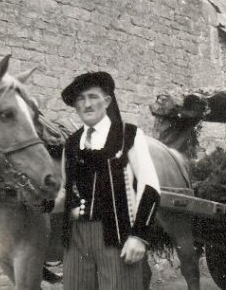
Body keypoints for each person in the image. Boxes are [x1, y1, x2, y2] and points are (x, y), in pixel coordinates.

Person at [60, 71, 161, 290]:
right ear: (75, 107)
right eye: (80, 99)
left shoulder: (128, 135)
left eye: (93, 97)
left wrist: (139, 236)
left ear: (106, 101)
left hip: (118, 236)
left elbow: (150, 187)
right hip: (77, 239)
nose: (87, 104)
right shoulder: (71, 143)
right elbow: (65, 189)